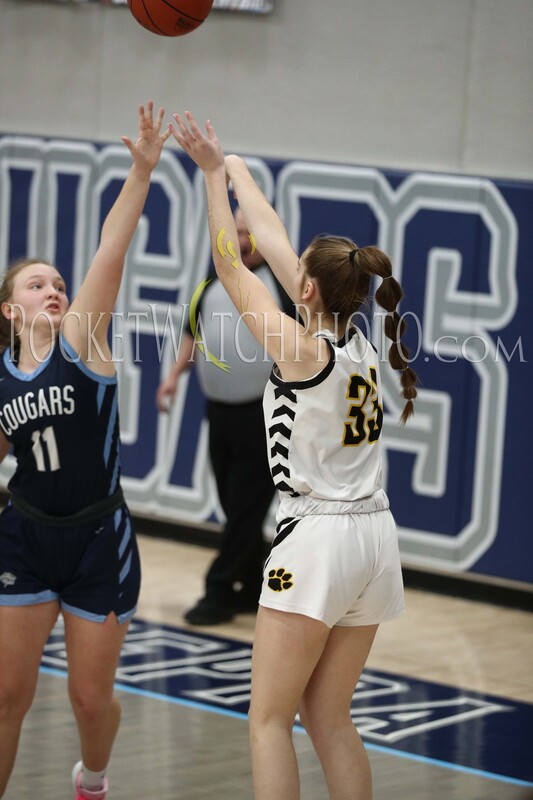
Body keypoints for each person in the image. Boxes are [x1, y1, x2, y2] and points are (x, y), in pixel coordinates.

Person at [167, 111, 418, 800]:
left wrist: (213, 178)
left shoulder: (300, 348)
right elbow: (275, 243)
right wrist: (234, 165)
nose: (284, 269)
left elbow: (231, 259)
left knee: (268, 721)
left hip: (318, 540)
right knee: (330, 717)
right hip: (375, 538)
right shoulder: (360, 340)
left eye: (295, 275)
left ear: (305, 290)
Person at [0, 102, 169, 800]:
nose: (54, 289)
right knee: (7, 697)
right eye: (36, 284)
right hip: (26, 535)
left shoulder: (83, 344)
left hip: (100, 537)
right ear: (10, 309)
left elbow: (110, 251)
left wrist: (141, 171)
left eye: (57, 285)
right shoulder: (4, 374)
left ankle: (92, 779)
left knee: (89, 702)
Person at [157, 207, 294, 626]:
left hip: (264, 415)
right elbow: (192, 331)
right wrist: (173, 377)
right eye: (236, 232)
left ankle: (217, 592)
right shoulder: (213, 280)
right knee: (235, 506)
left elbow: (304, 342)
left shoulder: (281, 286)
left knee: (244, 508)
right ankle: (254, 588)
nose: (242, 240)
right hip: (218, 413)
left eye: (250, 233)